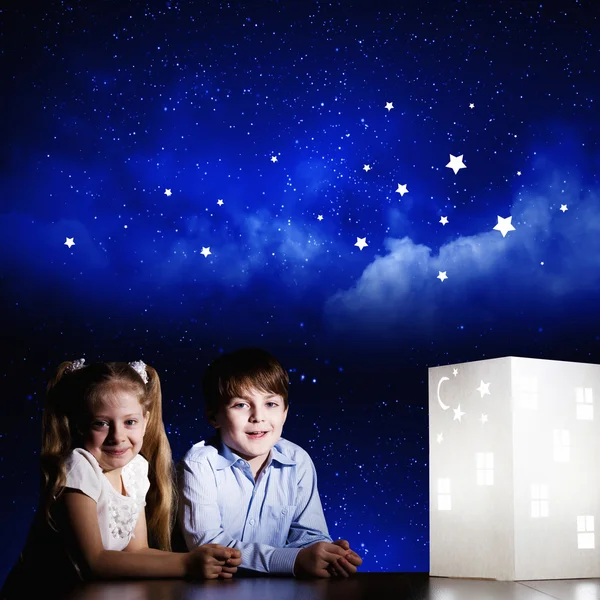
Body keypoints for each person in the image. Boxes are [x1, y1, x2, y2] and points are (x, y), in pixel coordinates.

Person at [1, 359, 241, 600]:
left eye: (130, 422)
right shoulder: (78, 467)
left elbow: (137, 550)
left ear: (145, 421)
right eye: (101, 423)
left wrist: (201, 558)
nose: (117, 436)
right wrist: (187, 564)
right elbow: (94, 562)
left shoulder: (135, 469)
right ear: (80, 425)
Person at [177, 348, 362, 578]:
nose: (258, 416)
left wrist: (328, 553)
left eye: (271, 404)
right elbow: (209, 547)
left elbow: (308, 535)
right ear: (214, 416)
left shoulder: (298, 461)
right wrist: (293, 561)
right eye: (241, 405)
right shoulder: (199, 464)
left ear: (285, 412)